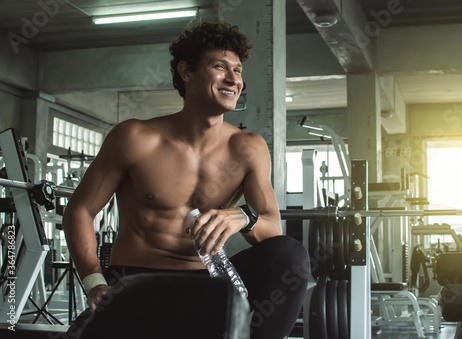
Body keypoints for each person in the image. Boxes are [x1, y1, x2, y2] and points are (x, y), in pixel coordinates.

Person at [62, 21, 309, 339]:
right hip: (136, 284)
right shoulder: (135, 137)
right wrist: (94, 281)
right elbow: (79, 210)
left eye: (238, 70)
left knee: (291, 255)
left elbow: (273, 232)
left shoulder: (248, 148)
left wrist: (244, 217)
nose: (234, 79)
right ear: (187, 72)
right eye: (220, 67)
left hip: (206, 285)